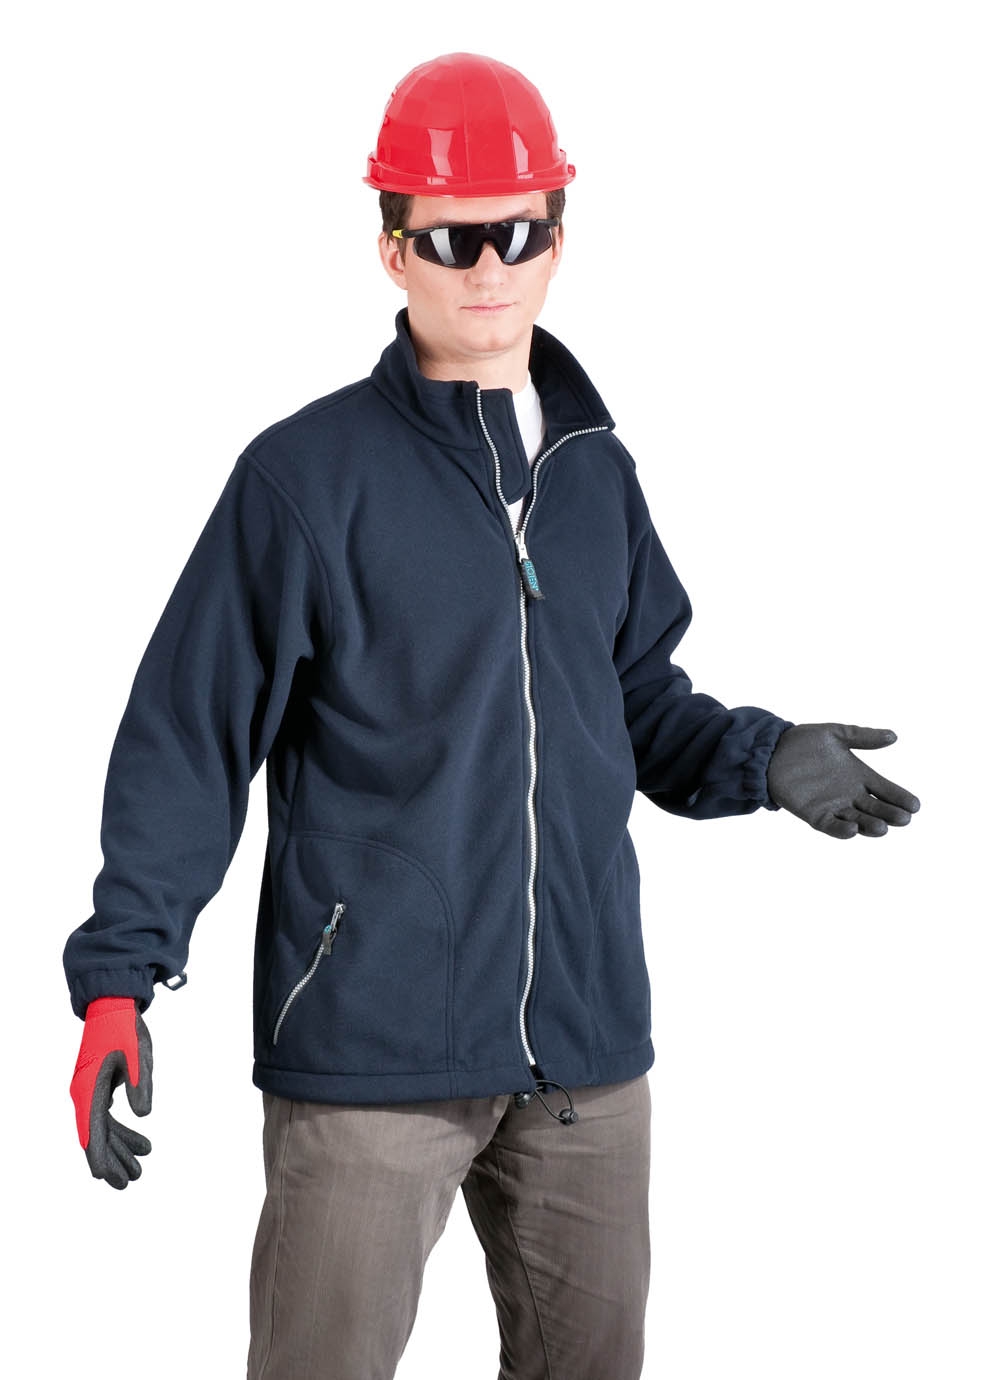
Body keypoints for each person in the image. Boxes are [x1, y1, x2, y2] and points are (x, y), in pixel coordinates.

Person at [64, 52, 920, 1380]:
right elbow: (192, 732)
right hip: (372, 1049)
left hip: (584, 1054)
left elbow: (633, 703)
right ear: (393, 248)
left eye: (518, 233)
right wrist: (120, 978)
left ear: (559, 240)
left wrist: (764, 756)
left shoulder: (596, 473)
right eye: (453, 237)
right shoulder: (305, 479)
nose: (489, 267)